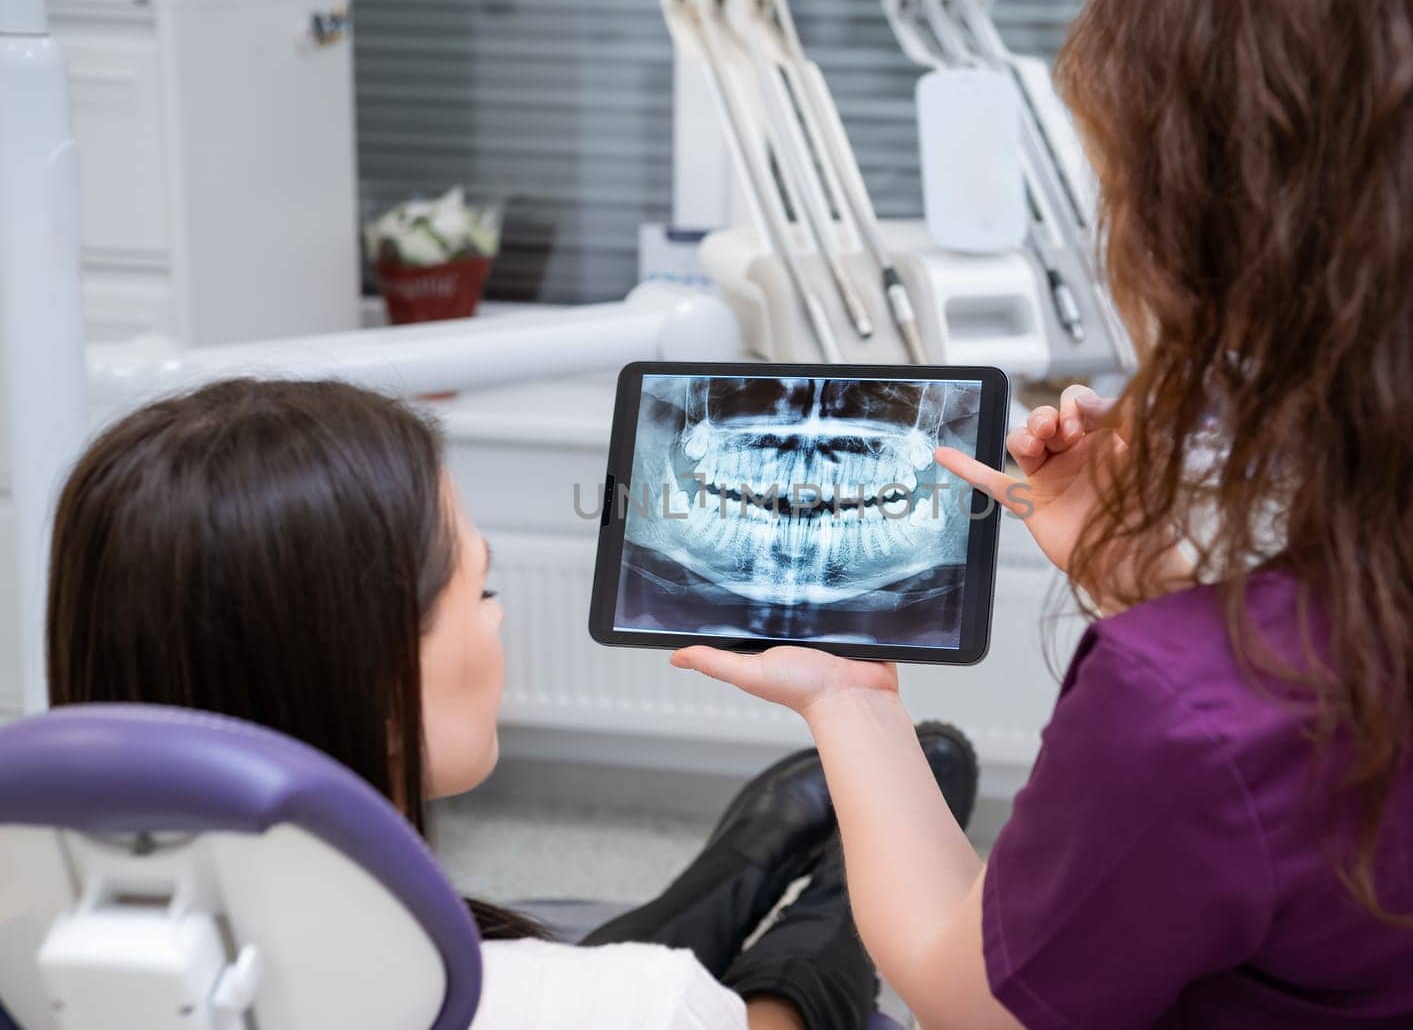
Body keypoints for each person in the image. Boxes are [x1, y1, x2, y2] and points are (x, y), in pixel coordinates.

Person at [670, 0, 1413, 1026]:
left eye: (1111, 183)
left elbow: (969, 992)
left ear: (1201, 241)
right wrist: (1155, 596)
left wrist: (848, 697)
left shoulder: (1195, 713)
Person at [44, 376, 979, 1030]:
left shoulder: (36, 969)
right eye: (481, 589)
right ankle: (811, 900)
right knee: (799, 978)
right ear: (376, 677)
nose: (496, 619)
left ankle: (738, 863)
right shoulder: (642, 1008)